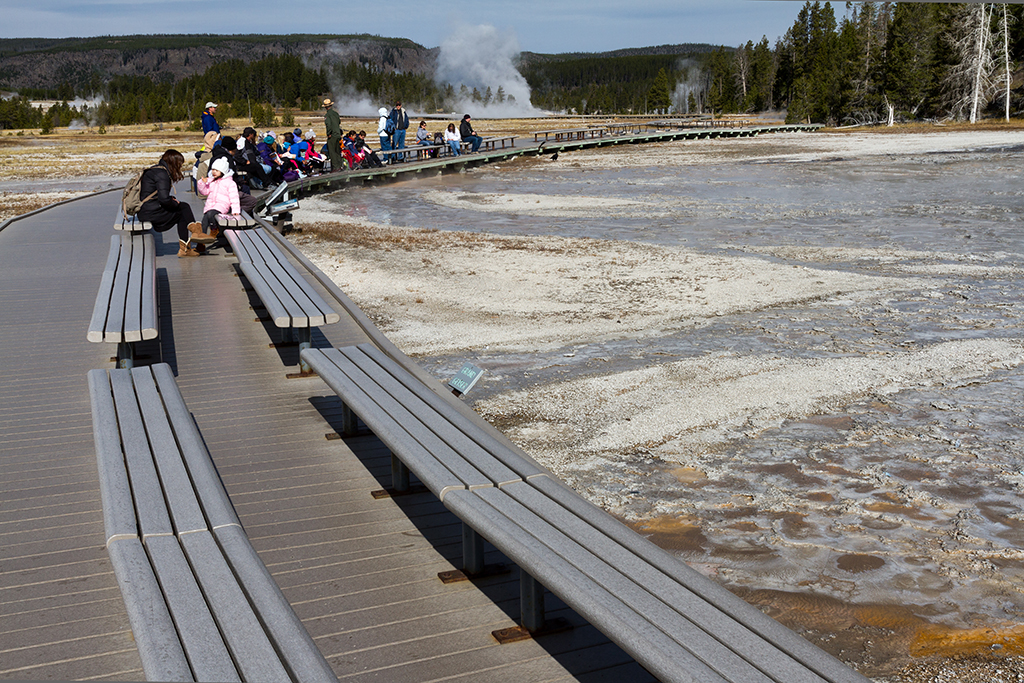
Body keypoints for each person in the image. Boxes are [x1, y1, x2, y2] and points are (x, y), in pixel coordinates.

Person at [136, 149, 214, 258]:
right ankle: (193, 237)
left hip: (146, 210)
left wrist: (172, 201)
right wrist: (174, 203)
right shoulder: (162, 174)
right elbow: (163, 199)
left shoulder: (156, 170)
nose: (180, 168)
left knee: (182, 209)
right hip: (150, 212)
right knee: (182, 209)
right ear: (174, 163)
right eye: (179, 165)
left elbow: (158, 196)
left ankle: (190, 242)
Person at [196, 157, 240, 239]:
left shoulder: (230, 183)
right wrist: (202, 183)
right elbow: (205, 192)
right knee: (205, 219)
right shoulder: (212, 181)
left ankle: (214, 229)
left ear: (223, 171)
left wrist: (235, 210)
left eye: (217, 170)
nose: (214, 172)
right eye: (213, 170)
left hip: (222, 205)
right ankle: (202, 237)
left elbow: (234, 197)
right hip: (211, 205)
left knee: (210, 214)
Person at [323, 97, 343, 173]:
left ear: (325, 107)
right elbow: (339, 122)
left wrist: (329, 133)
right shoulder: (336, 113)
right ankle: (340, 165)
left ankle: (335, 167)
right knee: (337, 150)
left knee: (332, 152)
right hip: (338, 134)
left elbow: (328, 125)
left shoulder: (327, 115)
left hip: (332, 135)